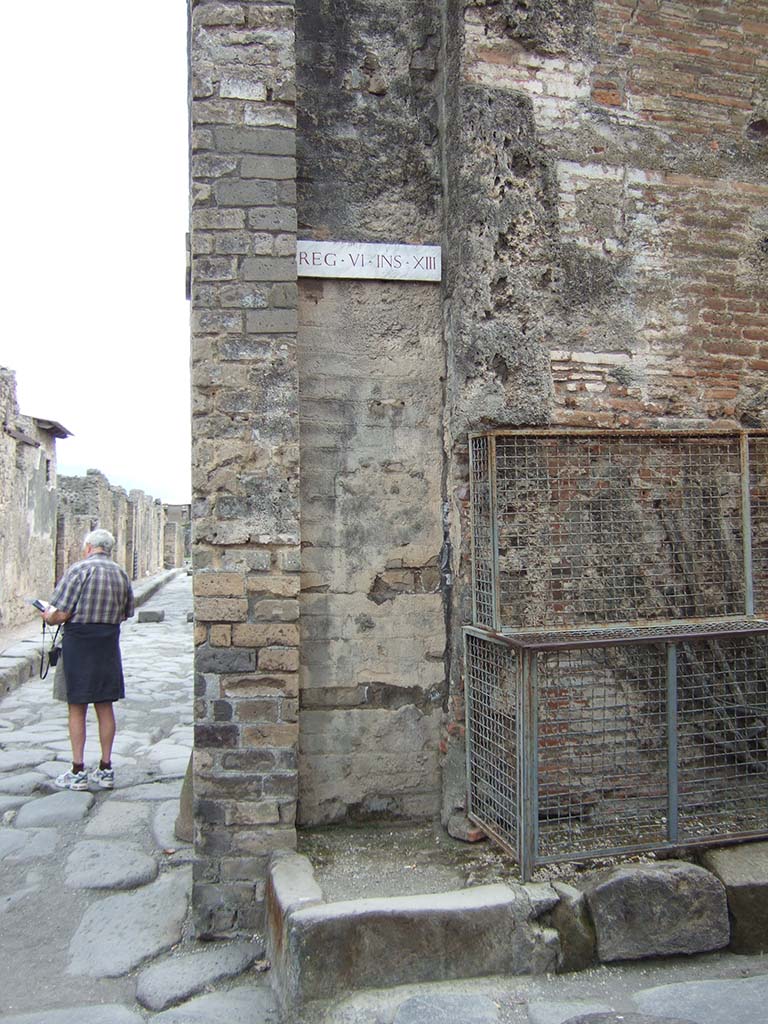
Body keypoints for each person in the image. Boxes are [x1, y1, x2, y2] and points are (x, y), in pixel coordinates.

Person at [39, 528, 135, 790]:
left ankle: (78, 770)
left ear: (89, 547)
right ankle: (105, 768)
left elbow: (61, 612)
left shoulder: (79, 570)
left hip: (79, 644)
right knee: (105, 705)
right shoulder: (121, 573)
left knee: (77, 706)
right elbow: (127, 612)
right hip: (107, 644)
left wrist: (47, 615)